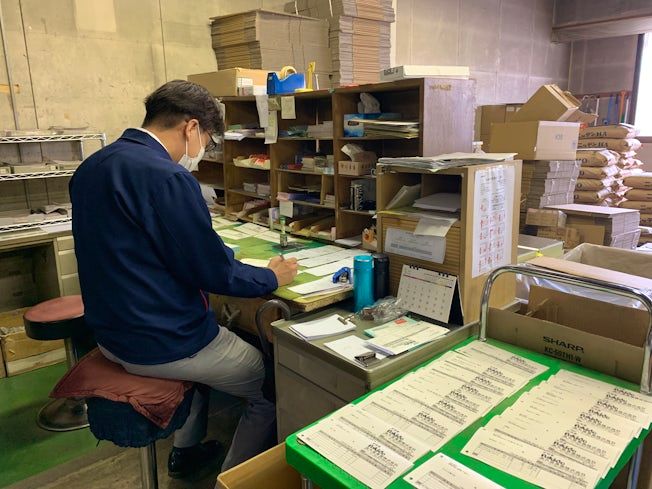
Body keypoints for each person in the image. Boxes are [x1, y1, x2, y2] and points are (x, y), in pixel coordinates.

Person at [70, 80, 298, 477]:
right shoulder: (167, 177)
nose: (201, 151)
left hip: (111, 334)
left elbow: (144, 246)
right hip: (163, 342)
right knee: (272, 385)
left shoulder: (93, 166)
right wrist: (268, 276)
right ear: (191, 127)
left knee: (211, 360)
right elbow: (213, 271)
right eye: (207, 140)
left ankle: (186, 452)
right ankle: (234, 479)